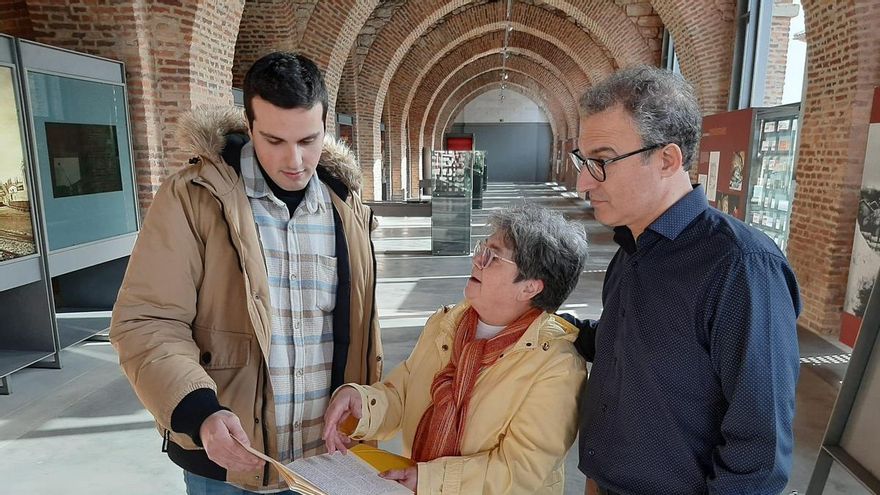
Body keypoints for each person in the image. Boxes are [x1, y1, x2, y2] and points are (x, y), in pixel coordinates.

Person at [109, 52, 382, 494]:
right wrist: (199, 412)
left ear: (325, 128)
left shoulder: (345, 208)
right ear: (249, 126)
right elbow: (146, 319)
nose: (295, 160)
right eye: (274, 141)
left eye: (308, 140)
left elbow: (359, 330)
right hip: (230, 463)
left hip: (327, 459)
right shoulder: (194, 199)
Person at [565, 66, 801, 495]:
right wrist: (556, 329)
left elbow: (759, 451)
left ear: (667, 159)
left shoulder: (741, 267)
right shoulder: (632, 249)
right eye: (583, 161)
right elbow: (630, 344)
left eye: (601, 161)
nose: (584, 182)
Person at [323, 206, 589, 494]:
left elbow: (520, 470)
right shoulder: (447, 324)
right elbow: (402, 393)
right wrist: (361, 403)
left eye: (493, 256)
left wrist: (429, 480)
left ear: (529, 288)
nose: (477, 259)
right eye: (482, 248)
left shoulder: (557, 366)